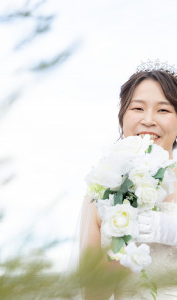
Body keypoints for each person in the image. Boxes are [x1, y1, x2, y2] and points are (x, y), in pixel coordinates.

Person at [79, 60, 177, 300]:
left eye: (163, 110)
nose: (149, 120)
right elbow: (94, 295)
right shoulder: (101, 192)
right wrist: (120, 242)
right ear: (122, 117)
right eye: (137, 108)